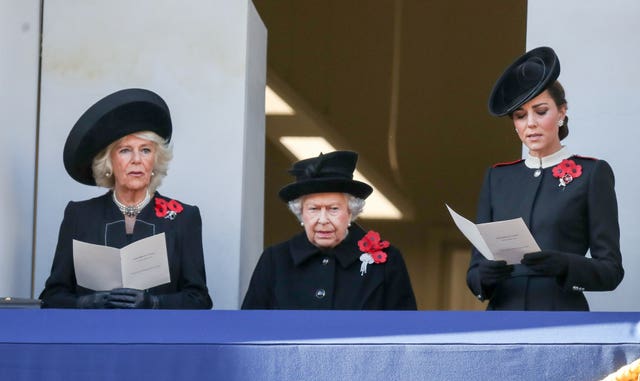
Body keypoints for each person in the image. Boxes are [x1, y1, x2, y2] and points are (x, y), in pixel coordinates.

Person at [466, 47, 624, 310]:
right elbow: (474, 272)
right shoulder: (498, 177)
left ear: (561, 112)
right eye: (520, 116)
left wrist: (564, 265)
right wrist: (484, 276)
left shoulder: (592, 174)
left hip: (561, 315)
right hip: (502, 319)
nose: (530, 123)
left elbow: (611, 271)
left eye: (541, 111)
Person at [40, 88, 213, 309]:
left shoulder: (183, 217)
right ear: (109, 163)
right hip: (94, 338)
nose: (136, 160)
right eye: (124, 151)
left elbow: (199, 299)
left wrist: (154, 303)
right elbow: (52, 296)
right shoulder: (79, 215)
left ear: (155, 161)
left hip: (158, 340)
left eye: (145, 150)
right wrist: (86, 302)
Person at [242, 150, 417, 310]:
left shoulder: (386, 262)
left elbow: (405, 332)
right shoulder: (275, 260)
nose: (323, 220)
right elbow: (250, 329)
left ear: (350, 212)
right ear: (300, 213)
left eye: (333, 209)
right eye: (313, 209)